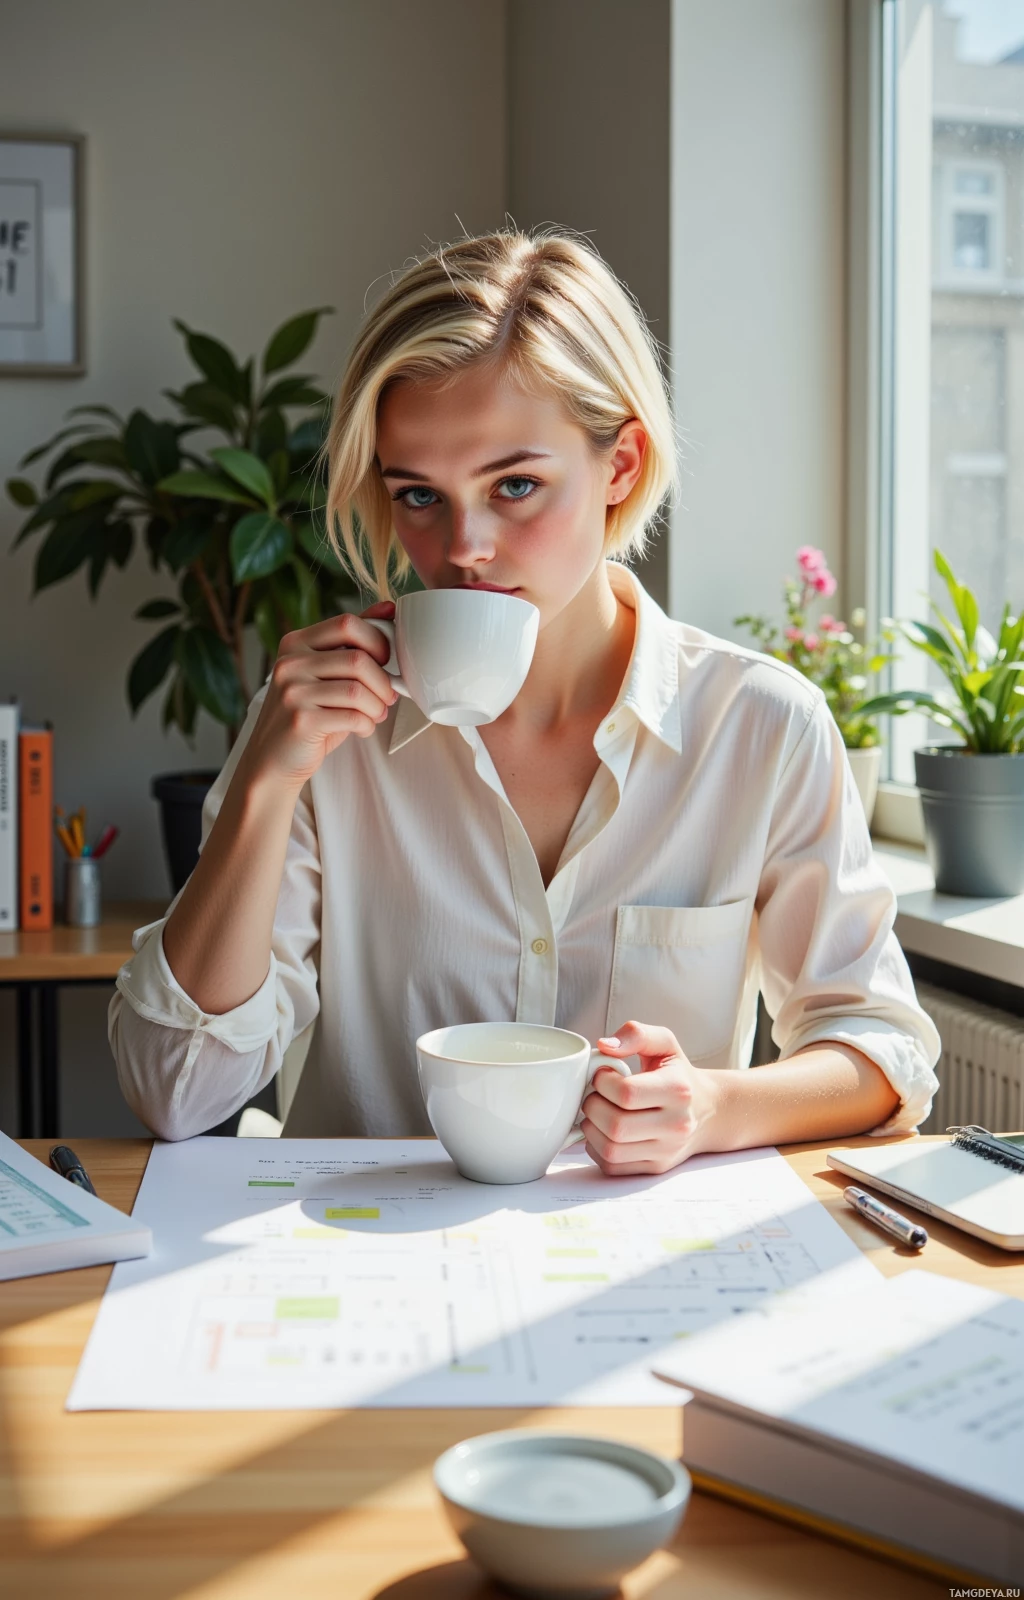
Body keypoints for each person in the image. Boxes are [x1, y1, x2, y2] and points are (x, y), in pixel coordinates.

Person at [110, 228, 940, 1174]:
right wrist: (263, 783)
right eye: (419, 496)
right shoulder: (322, 732)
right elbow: (177, 1091)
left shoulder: (759, 727)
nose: (464, 545)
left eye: (515, 485)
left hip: (631, 1287)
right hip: (363, 1274)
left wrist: (714, 1105)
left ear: (620, 466)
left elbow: (883, 1052)